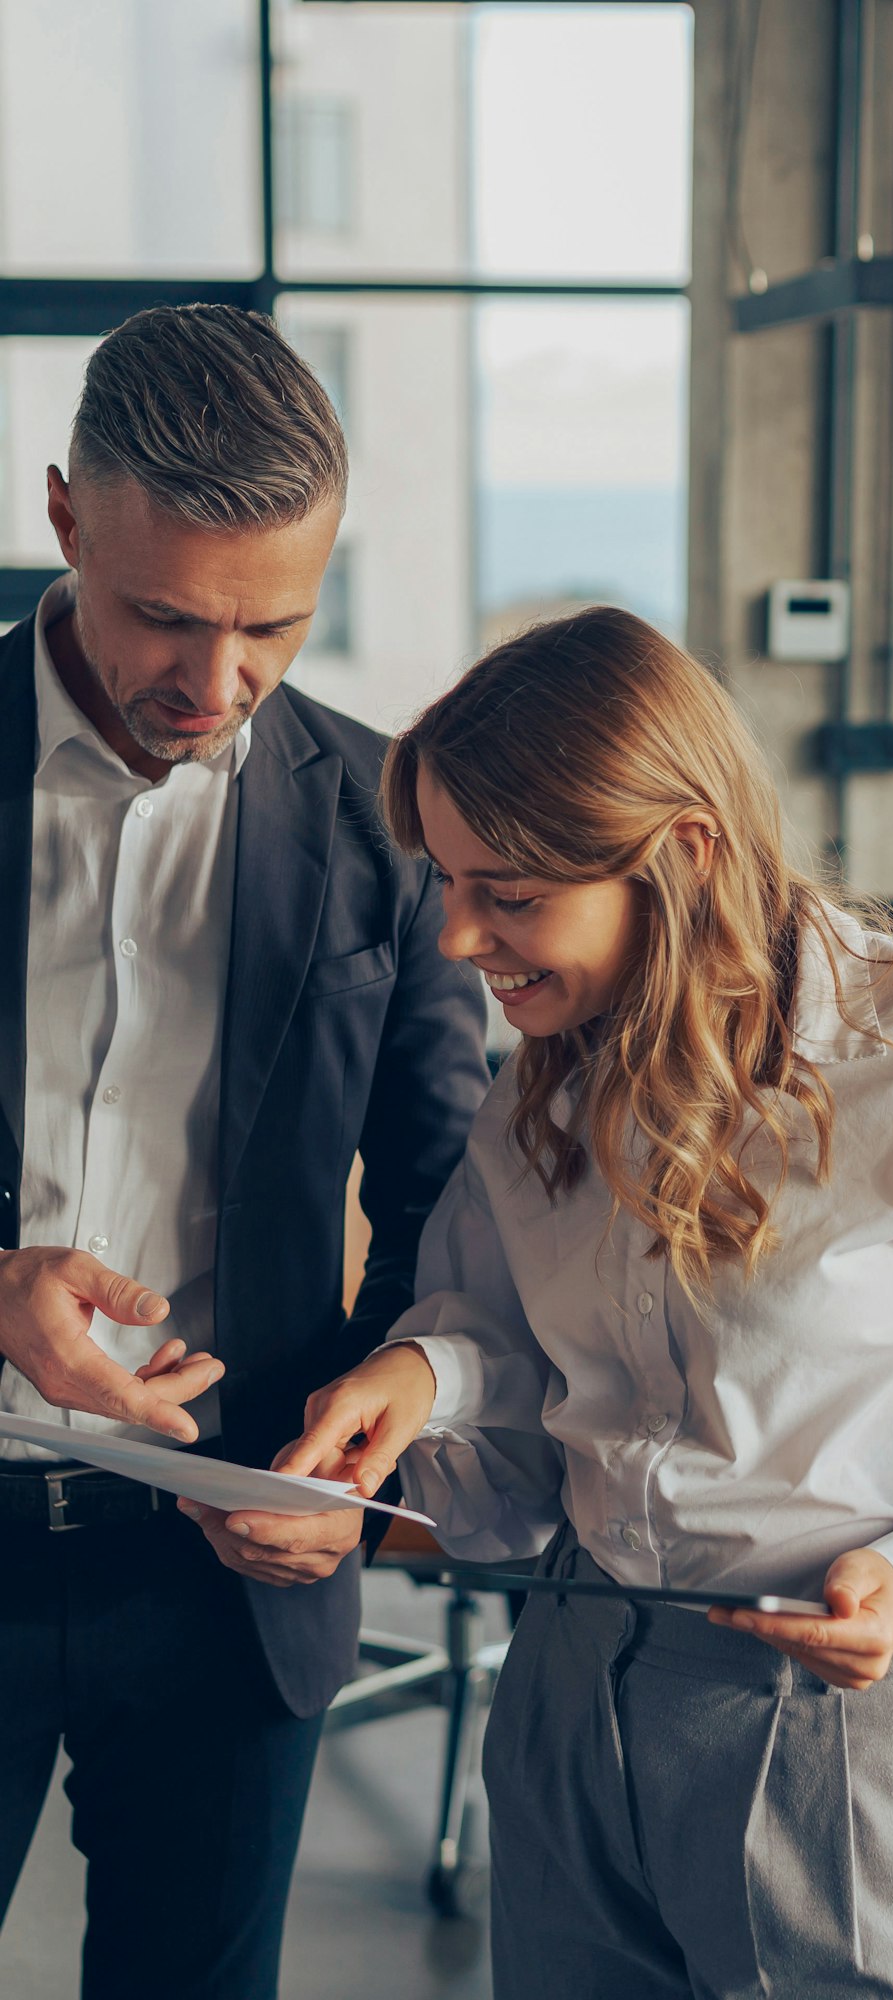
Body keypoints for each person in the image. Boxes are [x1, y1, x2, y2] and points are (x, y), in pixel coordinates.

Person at [286, 606, 893, 2000]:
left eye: (505, 891)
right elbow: (507, 1329)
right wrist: (417, 1380)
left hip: (832, 1716)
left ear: (678, 851)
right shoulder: (544, 1077)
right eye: (445, 880)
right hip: (560, 1685)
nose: (454, 938)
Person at [0, 304, 489, 2000]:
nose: (216, 688)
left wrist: (360, 1463)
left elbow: (449, 1201)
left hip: (228, 1572)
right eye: (162, 617)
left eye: (273, 626)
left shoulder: (390, 828)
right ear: (65, 520)